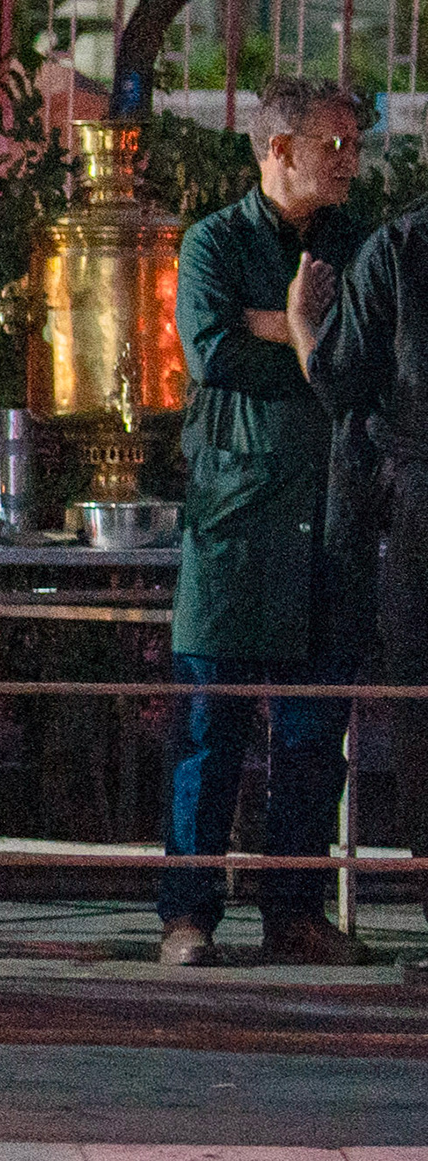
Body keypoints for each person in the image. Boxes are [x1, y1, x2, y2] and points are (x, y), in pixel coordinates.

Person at [160, 75, 376, 968]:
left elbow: (367, 350)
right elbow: (211, 348)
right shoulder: (215, 239)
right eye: (334, 145)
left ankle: (293, 910)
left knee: (312, 733)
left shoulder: (356, 242)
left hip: (329, 512)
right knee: (211, 729)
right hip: (237, 517)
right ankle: (187, 915)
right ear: (278, 149)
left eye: (355, 145)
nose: (350, 161)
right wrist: (299, 326)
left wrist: (288, 332)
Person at [311, 134, 428, 983]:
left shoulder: (401, 246)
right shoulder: (398, 248)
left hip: (419, 504)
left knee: (425, 711)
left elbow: (346, 382)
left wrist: (308, 327)